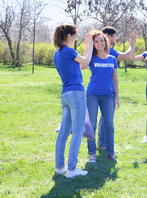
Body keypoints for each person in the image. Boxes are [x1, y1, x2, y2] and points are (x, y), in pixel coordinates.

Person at [53, 24, 93, 179]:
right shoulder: (69, 51)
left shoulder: (58, 53)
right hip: (76, 94)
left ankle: (60, 167)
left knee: (63, 134)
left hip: (66, 96)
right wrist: (89, 46)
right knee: (77, 132)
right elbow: (87, 60)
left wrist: (85, 50)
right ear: (68, 36)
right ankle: (71, 169)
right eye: (75, 36)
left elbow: (81, 63)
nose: (76, 38)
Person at [80, 30, 120, 162]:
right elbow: (81, 65)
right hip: (93, 94)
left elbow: (115, 80)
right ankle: (92, 154)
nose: (99, 44)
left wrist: (117, 97)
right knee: (91, 124)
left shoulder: (112, 59)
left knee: (109, 125)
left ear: (105, 41)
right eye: (96, 42)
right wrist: (88, 47)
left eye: (101, 41)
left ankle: (110, 153)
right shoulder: (91, 58)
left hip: (108, 96)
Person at [97, 26, 137, 150]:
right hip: (107, 89)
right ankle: (103, 143)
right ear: (109, 37)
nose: (116, 38)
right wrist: (132, 44)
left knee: (104, 117)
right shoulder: (108, 50)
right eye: (114, 36)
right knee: (106, 117)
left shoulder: (101, 49)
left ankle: (102, 142)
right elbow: (126, 56)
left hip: (101, 88)